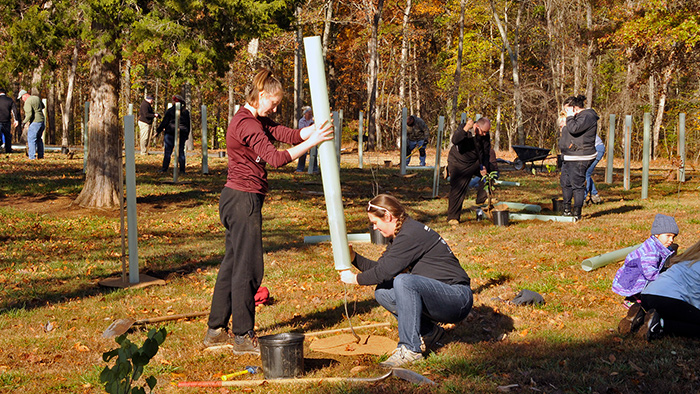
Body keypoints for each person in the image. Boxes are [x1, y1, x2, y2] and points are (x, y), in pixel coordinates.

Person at [203, 69, 333, 353]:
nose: (274, 108)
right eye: (272, 102)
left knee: (232, 264)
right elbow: (275, 158)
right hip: (243, 200)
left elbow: (281, 132)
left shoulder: (254, 119)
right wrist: (312, 142)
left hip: (235, 198)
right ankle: (242, 335)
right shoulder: (247, 124)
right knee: (248, 268)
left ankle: (215, 330)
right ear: (260, 95)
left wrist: (306, 132)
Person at [339, 194, 473, 367]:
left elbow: (384, 272)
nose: (374, 228)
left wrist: (355, 279)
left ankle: (410, 350)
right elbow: (381, 269)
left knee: (404, 281)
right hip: (443, 297)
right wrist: (354, 258)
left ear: (387, 216)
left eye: (375, 222)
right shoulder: (402, 234)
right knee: (384, 292)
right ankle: (429, 332)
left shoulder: (410, 234)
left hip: (457, 299)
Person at [613, 214, 679, 334]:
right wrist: (664, 281)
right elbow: (650, 274)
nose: (671, 240)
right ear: (657, 234)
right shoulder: (650, 252)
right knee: (647, 291)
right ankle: (633, 302)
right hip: (633, 279)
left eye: (673, 237)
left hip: (637, 276)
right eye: (668, 236)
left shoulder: (656, 245)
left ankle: (636, 309)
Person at [635, 239, 700, 341]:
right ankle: (660, 325)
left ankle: (640, 318)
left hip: (648, 294)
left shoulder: (687, 260)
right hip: (667, 299)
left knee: (685, 315)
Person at [446, 117, 493, 225]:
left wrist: (484, 167)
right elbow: (455, 140)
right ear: (476, 126)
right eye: (483, 131)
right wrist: (466, 128)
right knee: (458, 189)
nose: (485, 134)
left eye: (487, 132)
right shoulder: (464, 129)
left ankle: (482, 198)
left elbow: (485, 153)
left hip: (474, 162)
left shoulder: (485, 136)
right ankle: (453, 217)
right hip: (458, 162)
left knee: (491, 172)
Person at [559, 95, 598, 219]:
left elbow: (574, 129)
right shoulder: (578, 118)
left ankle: (577, 213)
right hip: (569, 155)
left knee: (577, 185)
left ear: (574, 108)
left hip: (580, 156)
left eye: (567, 110)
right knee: (565, 183)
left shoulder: (588, 116)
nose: (566, 113)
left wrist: (569, 117)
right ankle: (566, 210)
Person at [156, 95, 190, 174]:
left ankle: (164, 168)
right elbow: (188, 125)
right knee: (181, 151)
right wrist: (186, 134)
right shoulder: (185, 112)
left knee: (168, 151)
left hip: (171, 132)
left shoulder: (171, 111)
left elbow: (164, 122)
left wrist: (158, 131)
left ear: (175, 101)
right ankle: (182, 170)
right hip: (181, 133)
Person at [18, 89, 45, 160]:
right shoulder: (37, 98)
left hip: (35, 122)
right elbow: (43, 106)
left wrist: (24, 122)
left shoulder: (28, 101)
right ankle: (40, 155)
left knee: (31, 139)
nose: (22, 100)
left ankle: (32, 157)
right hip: (41, 121)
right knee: (39, 139)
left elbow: (29, 114)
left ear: (24, 96)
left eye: (21, 98)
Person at [585, 135, 605, 204]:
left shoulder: (576, 127)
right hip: (591, 148)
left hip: (596, 148)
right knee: (585, 173)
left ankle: (583, 199)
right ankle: (595, 196)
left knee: (585, 173)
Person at [295, 106, 315, 172]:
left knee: (314, 153)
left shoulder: (313, 120)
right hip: (304, 139)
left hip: (313, 138)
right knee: (303, 153)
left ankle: (314, 169)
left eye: (311, 112)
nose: (310, 114)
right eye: (309, 112)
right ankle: (300, 169)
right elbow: (302, 130)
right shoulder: (301, 121)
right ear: (305, 113)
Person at [0, 87, 19, 153]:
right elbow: (14, 110)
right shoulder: (9, 100)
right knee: (7, 136)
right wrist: (16, 120)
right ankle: (8, 149)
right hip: (6, 120)